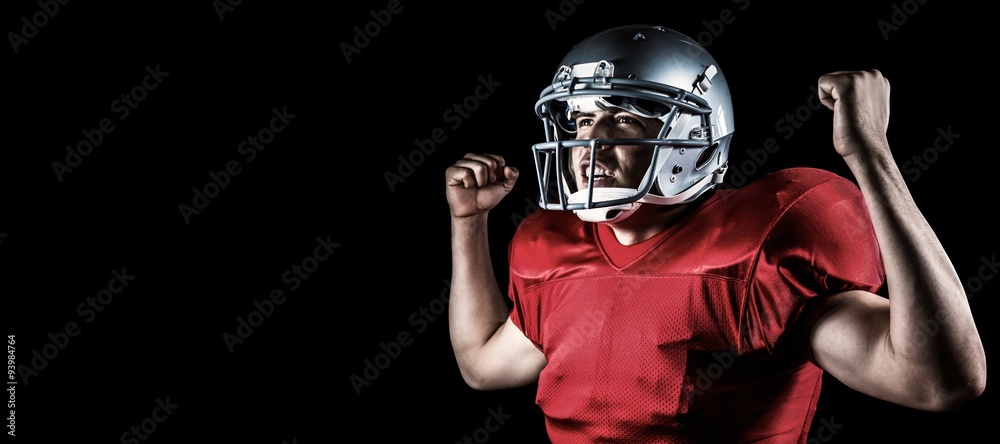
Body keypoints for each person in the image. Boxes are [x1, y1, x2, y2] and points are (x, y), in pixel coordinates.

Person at [444, 24, 986, 443]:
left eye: (624, 119)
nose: (590, 142)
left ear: (691, 137)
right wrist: (469, 224)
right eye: (582, 121)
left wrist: (870, 156)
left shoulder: (760, 248)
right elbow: (481, 366)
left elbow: (938, 381)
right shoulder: (557, 252)